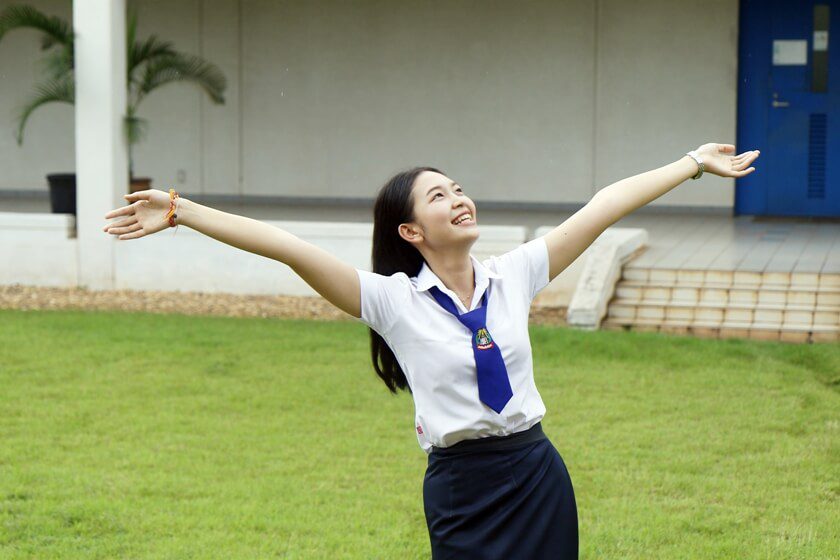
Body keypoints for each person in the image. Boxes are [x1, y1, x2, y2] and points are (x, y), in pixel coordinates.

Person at [103, 144, 760, 558]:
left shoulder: (515, 274)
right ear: (411, 230)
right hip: (462, 488)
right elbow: (286, 245)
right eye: (439, 195)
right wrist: (184, 209)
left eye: (459, 187)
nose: (460, 198)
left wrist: (693, 163)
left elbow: (603, 206)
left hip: (535, 473)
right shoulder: (392, 301)